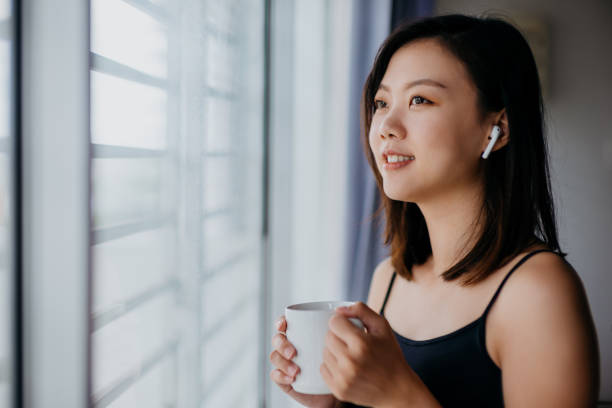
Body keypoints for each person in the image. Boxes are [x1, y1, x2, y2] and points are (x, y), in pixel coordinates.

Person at [269, 14, 600, 407]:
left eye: (420, 100)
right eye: (381, 102)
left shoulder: (539, 292)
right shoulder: (388, 278)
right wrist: (335, 399)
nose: (387, 126)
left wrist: (399, 394)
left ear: (497, 129)